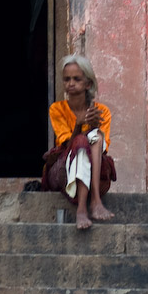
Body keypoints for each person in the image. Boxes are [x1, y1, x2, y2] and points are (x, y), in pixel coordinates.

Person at [46, 54, 115, 229]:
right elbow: (67, 146)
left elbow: (102, 150)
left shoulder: (102, 111)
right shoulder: (57, 109)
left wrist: (92, 127)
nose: (71, 83)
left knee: (96, 136)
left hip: (95, 172)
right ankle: (83, 208)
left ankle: (95, 201)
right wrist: (79, 124)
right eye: (67, 79)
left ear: (88, 84)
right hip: (63, 172)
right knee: (80, 142)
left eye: (76, 79)